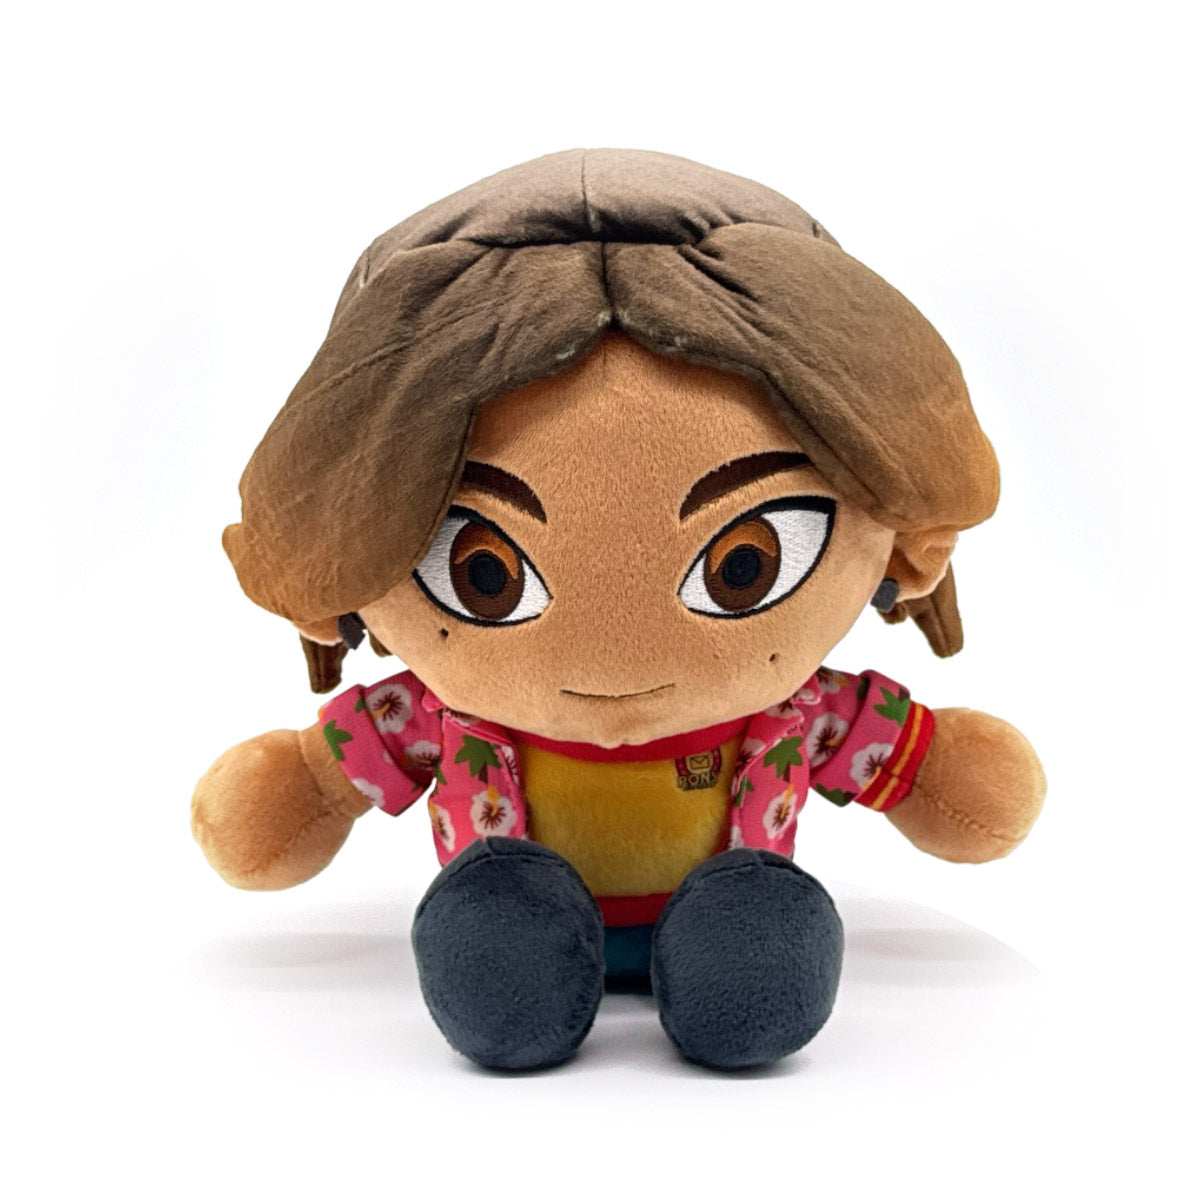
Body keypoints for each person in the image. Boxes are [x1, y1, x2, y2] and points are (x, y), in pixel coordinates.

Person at [192, 149, 1045, 1071]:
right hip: (504, 907)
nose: (614, 664)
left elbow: (927, 771)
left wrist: (945, 772)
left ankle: (741, 946)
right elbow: (321, 780)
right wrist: (296, 791)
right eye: (486, 576)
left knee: (755, 956)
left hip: (736, 902)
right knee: (498, 950)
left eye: (745, 566)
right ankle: (508, 943)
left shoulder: (798, 708)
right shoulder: (435, 715)